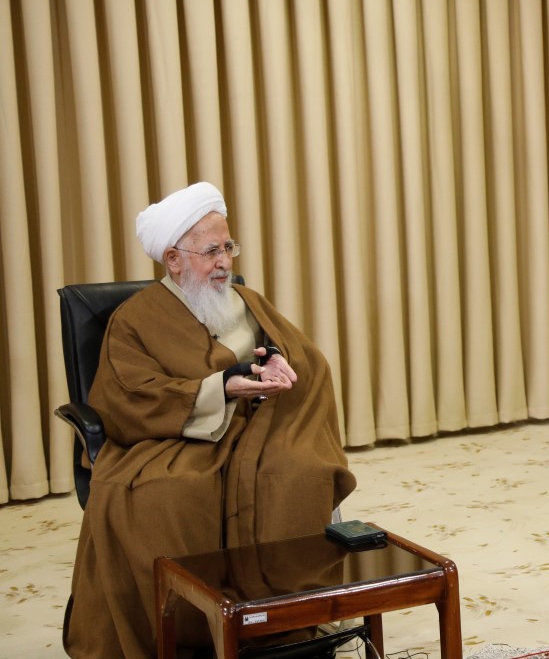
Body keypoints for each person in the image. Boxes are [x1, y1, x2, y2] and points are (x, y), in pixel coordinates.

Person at [64, 182, 357, 659]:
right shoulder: (135, 319)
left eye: (228, 248)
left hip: (261, 424)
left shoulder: (249, 300)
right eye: (211, 252)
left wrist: (277, 363)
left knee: (299, 473)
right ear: (173, 259)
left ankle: (284, 620)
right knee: (169, 494)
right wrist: (221, 388)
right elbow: (129, 396)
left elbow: (301, 356)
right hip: (178, 435)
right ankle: (191, 632)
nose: (224, 262)